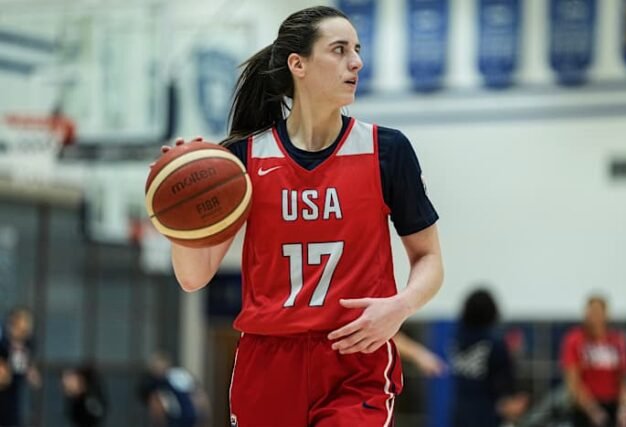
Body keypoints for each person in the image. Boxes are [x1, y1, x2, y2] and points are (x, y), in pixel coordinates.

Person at [164, 6, 443, 426]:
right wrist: (180, 217)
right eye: (339, 49)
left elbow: (429, 258)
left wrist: (400, 306)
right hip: (268, 361)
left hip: (355, 358)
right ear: (299, 64)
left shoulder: (386, 151)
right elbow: (193, 276)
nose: (356, 62)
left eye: (357, 49)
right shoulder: (243, 159)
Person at [450, 288, 528, 427]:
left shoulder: (457, 339)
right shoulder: (495, 344)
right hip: (485, 415)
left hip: (460, 412)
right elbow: (504, 385)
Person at [560, 295, 626, 427]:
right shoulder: (575, 340)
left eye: (598, 312)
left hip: (612, 403)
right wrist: (592, 409)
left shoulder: (618, 341)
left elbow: (623, 378)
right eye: (591, 312)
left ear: (606, 315)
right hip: (585, 407)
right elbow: (573, 380)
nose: (594, 317)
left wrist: (623, 407)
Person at [137, 352, 211, 427]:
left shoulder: (178, 376)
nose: (160, 368)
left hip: (188, 418)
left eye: (162, 364)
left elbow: (199, 395)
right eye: (156, 366)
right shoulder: (151, 385)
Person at [0, 307, 41, 427]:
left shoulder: (27, 345)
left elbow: (21, 368)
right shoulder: (3, 342)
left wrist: (29, 371)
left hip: (11, 396)